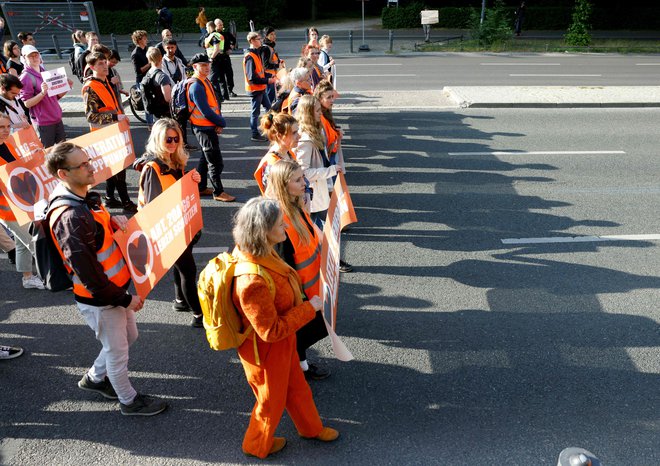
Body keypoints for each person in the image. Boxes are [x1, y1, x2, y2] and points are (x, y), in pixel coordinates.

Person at [46, 142, 168, 416]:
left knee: (128, 337)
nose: (91, 167)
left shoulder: (82, 198)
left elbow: (97, 235)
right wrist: (125, 298)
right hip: (102, 298)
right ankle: (128, 401)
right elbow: (89, 276)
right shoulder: (71, 217)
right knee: (117, 350)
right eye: (83, 165)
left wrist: (112, 221)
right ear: (63, 174)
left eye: (89, 160)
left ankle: (94, 378)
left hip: (113, 292)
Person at [231, 197, 339, 458]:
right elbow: (269, 331)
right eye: (280, 225)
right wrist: (309, 308)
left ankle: (311, 428)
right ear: (263, 231)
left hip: (282, 345)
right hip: (266, 353)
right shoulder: (251, 280)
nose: (285, 228)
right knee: (270, 402)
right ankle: (255, 445)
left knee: (297, 388)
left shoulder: (260, 251)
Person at [265, 160, 331, 380]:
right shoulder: (279, 220)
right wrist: (300, 298)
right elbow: (284, 264)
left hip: (309, 285)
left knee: (306, 330)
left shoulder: (295, 206)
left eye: (302, 177)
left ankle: (299, 366)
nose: (304, 183)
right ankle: (290, 364)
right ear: (283, 185)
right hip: (297, 291)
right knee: (312, 328)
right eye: (297, 180)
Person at [137, 119, 204, 327]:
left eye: (176, 139)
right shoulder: (153, 168)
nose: (173, 143)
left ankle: (180, 300)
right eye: (168, 139)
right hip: (170, 228)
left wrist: (194, 180)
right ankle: (199, 315)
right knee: (188, 270)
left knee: (182, 266)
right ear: (158, 139)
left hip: (181, 223)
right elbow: (154, 207)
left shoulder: (173, 161)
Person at [293, 95, 352, 273]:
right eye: (317, 110)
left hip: (317, 192)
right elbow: (304, 172)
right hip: (311, 193)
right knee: (323, 230)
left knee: (322, 230)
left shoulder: (313, 131)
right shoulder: (305, 139)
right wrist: (331, 170)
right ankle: (331, 261)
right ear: (308, 113)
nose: (321, 113)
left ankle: (327, 260)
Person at [82, 52, 137, 213]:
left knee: (114, 168)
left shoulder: (105, 81)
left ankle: (109, 198)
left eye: (105, 62)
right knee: (119, 168)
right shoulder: (90, 88)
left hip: (114, 132)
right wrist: (115, 116)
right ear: (92, 67)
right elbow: (91, 116)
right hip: (103, 135)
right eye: (100, 64)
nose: (105, 66)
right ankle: (126, 202)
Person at [0, 113, 45, 289]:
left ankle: (28, 278)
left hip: (22, 203)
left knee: (22, 243)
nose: (5, 131)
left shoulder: (9, 143)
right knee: (35, 242)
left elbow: (18, 169)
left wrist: (33, 158)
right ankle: (56, 277)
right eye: (1, 128)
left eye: (7, 126)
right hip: (7, 210)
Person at [186, 53, 235, 202]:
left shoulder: (204, 81)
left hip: (207, 127)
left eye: (208, 64)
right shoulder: (196, 86)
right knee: (215, 162)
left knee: (205, 158)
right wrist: (221, 123)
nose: (207, 67)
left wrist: (217, 122)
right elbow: (205, 112)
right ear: (195, 67)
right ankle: (218, 192)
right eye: (203, 65)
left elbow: (214, 105)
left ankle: (200, 187)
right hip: (203, 129)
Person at [19, 45, 72, 147]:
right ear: (24, 58)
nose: (35, 58)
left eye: (36, 55)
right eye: (31, 56)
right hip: (43, 122)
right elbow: (27, 103)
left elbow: (55, 97)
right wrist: (42, 93)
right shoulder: (25, 77)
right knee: (47, 154)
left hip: (57, 118)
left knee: (63, 152)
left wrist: (66, 87)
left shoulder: (46, 72)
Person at [253, 111, 300, 195]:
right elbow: (272, 198)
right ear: (279, 136)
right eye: (294, 133)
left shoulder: (288, 152)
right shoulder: (272, 164)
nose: (299, 136)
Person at [244, 31, 276, 142]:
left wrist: (270, 75)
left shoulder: (256, 54)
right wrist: (268, 80)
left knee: (270, 109)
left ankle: (272, 128)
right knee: (255, 113)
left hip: (261, 88)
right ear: (252, 41)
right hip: (255, 89)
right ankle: (254, 134)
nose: (261, 40)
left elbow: (260, 72)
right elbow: (252, 77)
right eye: (258, 39)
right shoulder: (250, 57)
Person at [130, 30, 154, 130]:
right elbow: (138, 71)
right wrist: (150, 63)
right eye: (144, 38)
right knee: (147, 101)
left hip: (150, 77)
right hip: (142, 80)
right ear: (139, 40)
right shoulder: (135, 54)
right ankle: (150, 125)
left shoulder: (147, 50)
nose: (146, 39)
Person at [143, 47, 172, 120]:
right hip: (165, 113)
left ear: (149, 60)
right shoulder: (162, 77)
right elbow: (168, 98)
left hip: (155, 112)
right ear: (161, 58)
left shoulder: (149, 73)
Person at [204, 21, 226, 101]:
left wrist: (211, 58)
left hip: (215, 59)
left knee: (213, 79)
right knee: (219, 78)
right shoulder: (219, 35)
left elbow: (216, 48)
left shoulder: (213, 36)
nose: (206, 29)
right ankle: (222, 96)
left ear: (210, 27)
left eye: (206, 28)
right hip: (221, 58)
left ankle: (218, 97)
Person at [261, 27, 284, 104]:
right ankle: (269, 114)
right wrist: (278, 65)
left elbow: (271, 60)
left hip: (272, 76)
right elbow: (266, 65)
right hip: (268, 77)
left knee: (272, 98)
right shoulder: (266, 48)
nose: (274, 36)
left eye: (274, 34)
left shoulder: (270, 47)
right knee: (270, 99)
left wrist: (278, 61)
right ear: (266, 36)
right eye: (271, 34)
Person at [215, 19, 237, 98]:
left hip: (226, 57)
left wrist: (231, 47)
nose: (222, 26)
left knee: (229, 74)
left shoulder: (225, 33)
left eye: (222, 24)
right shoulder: (214, 34)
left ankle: (230, 90)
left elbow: (233, 39)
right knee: (220, 77)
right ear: (215, 25)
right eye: (220, 25)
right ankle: (224, 93)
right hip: (217, 59)